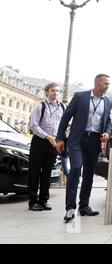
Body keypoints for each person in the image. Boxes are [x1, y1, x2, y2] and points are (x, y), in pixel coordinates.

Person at [55, 74, 112, 222]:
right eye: (106, 83)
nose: (108, 86)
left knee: (88, 173)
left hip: (94, 140)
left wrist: (107, 131)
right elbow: (66, 117)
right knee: (76, 168)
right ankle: (70, 208)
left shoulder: (108, 101)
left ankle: (84, 206)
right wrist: (60, 138)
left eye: (108, 84)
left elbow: (108, 121)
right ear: (97, 83)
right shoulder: (80, 96)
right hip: (77, 139)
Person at [28, 83, 65, 211]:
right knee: (35, 172)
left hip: (54, 143)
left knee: (47, 173)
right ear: (47, 92)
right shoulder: (40, 106)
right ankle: (33, 201)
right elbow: (33, 125)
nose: (55, 93)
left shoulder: (62, 107)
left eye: (57, 91)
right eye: (53, 90)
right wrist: (47, 137)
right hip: (40, 141)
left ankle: (44, 200)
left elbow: (63, 125)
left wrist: (60, 139)